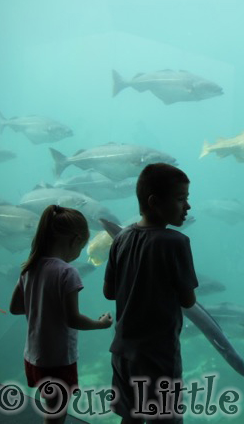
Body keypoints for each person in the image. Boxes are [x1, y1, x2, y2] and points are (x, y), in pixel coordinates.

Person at [103, 163, 198, 424]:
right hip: (158, 357)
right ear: (155, 202)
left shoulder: (121, 239)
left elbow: (109, 292)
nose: (187, 206)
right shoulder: (176, 242)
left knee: (130, 418)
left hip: (122, 352)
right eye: (181, 199)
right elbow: (188, 300)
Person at [10, 204, 113, 424]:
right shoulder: (67, 272)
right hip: (57, 358)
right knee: (57, 413)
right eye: (81, 246)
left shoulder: (30, 268)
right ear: (75, 241)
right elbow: (72, 319)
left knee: (51, 406)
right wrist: (100, 323)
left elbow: (15, 308)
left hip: (33, 356)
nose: (78, 254)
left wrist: (41, 304)